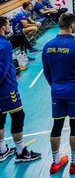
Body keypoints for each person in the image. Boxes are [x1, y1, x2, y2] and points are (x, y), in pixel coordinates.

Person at [42, 13, 75, 174]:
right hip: (74, 91)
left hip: (57, 91)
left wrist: (55, 86)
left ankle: (56, 162)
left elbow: (46, 71)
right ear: (72, 25)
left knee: (57, 125)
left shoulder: (48, 46)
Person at [0, 16, 42, 164]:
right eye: (8, 24)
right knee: (18, 116)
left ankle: (2, 150)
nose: (9, 27)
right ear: (2, 27)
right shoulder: (5, 45)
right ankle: (21, 152)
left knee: (1, 118)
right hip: (6, 89)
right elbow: (2, 69)